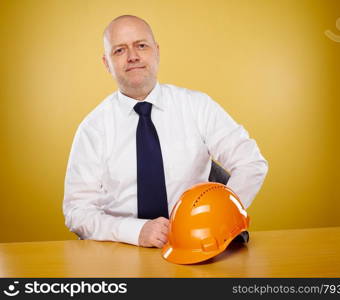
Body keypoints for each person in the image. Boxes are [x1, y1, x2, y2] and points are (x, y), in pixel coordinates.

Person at [63, 15, 268, 249]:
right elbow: (76, 212)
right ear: (106, 63)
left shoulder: (197, 106)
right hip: (124, 249)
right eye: (119, 50)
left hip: (200, 246)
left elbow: (251, 162)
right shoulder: (93, 129)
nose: (133, 57)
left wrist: (217, 217)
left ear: (157, 51)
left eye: (141, 45)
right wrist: (135, 231)